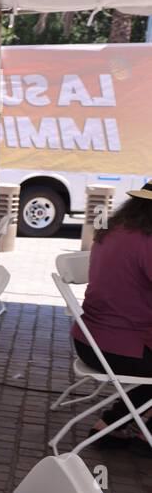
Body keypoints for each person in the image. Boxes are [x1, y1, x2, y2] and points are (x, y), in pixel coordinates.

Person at [73, 183, 152, 444]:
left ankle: (118, 423)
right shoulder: (146, 241)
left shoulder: (114, 230)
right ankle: (125, 426)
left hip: (89, 340)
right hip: (119, 349)